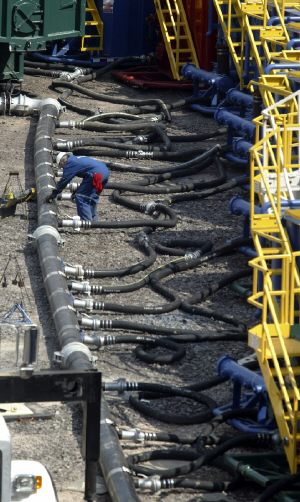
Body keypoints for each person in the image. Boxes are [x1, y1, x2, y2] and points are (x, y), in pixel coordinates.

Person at [46, 153, 110, 221]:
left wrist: (54, 194)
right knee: (92, 196)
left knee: (81, 197)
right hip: (104, 172)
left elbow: (64, 181)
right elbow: (87, 177)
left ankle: (87, 222)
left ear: (62, 161)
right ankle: (94, 222)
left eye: (61, 166)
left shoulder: (70, 163)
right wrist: (77, 191)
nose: (62, 168)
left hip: (96, 175)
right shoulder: (76, 159)